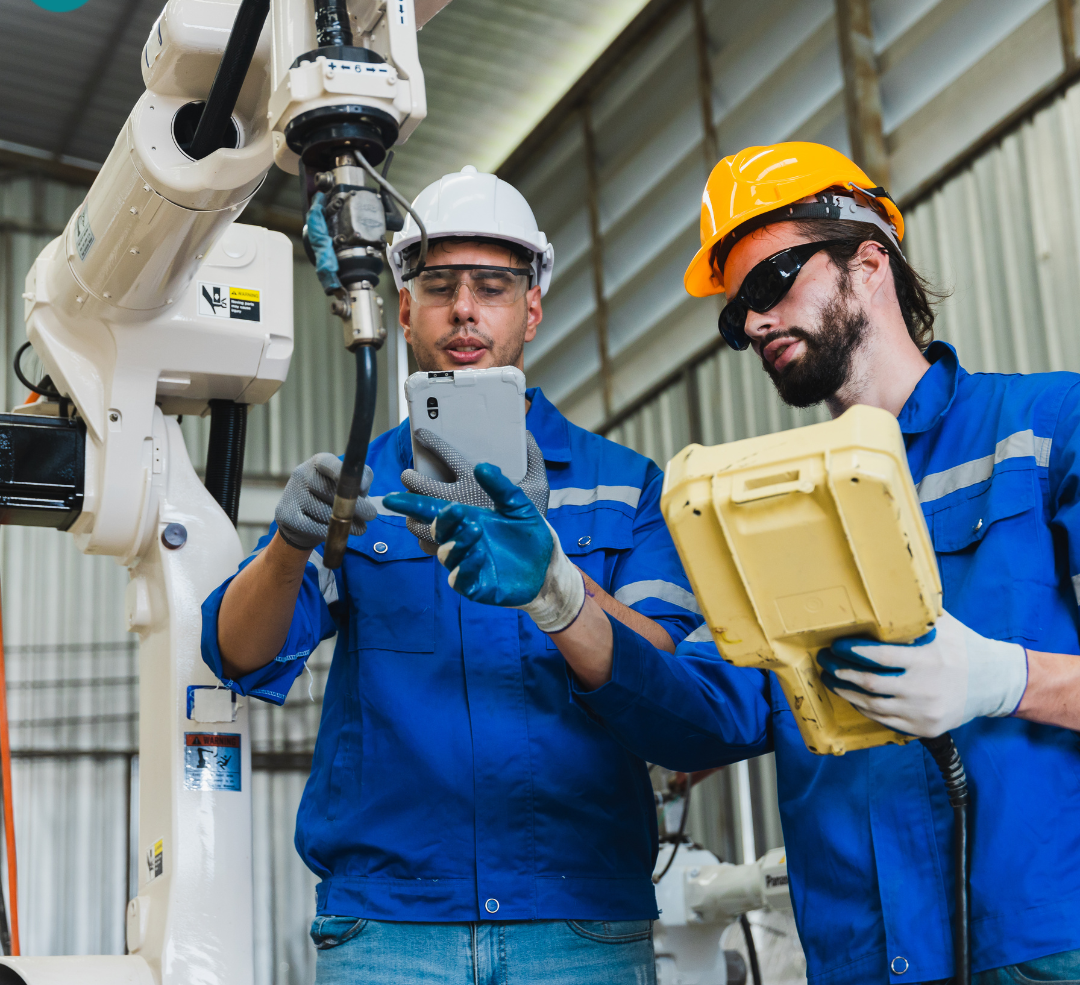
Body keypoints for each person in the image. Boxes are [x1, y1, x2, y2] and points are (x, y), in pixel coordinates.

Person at [386, 144, 1080, 985]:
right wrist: (560, 595)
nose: (751, 324)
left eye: (772, 281)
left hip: (1044, 945)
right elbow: (705, 712)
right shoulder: (766, 506)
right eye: (735, 312)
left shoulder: (1046, 429)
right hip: (862, 959)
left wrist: (1008, 680)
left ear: (868, 261)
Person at [201, 165, 702, 984]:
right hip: (391, 929)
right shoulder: (360, 488)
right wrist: (288, 545)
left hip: (578, 923)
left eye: (493, 285)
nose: (465, 308)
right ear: (402, 306)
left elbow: (673, 679)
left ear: (531, 308)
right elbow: (241, 653)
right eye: (439, 285)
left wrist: (556, 578)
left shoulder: (624, 484)